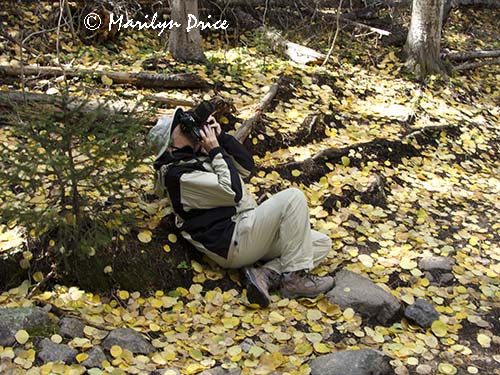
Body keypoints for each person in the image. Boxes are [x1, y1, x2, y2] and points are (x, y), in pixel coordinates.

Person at [148, 105, 334, 308]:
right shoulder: (178, 176)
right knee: (293, 198)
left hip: (246, 229)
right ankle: (294, 281)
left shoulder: (194, 157)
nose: (190, 129)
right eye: (182, 128)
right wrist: (215, 151)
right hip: (232, 242)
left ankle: (264, 274)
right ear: (170, 144)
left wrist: (222, 138)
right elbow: (233, 192)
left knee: (320, 242)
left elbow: (246, 168)